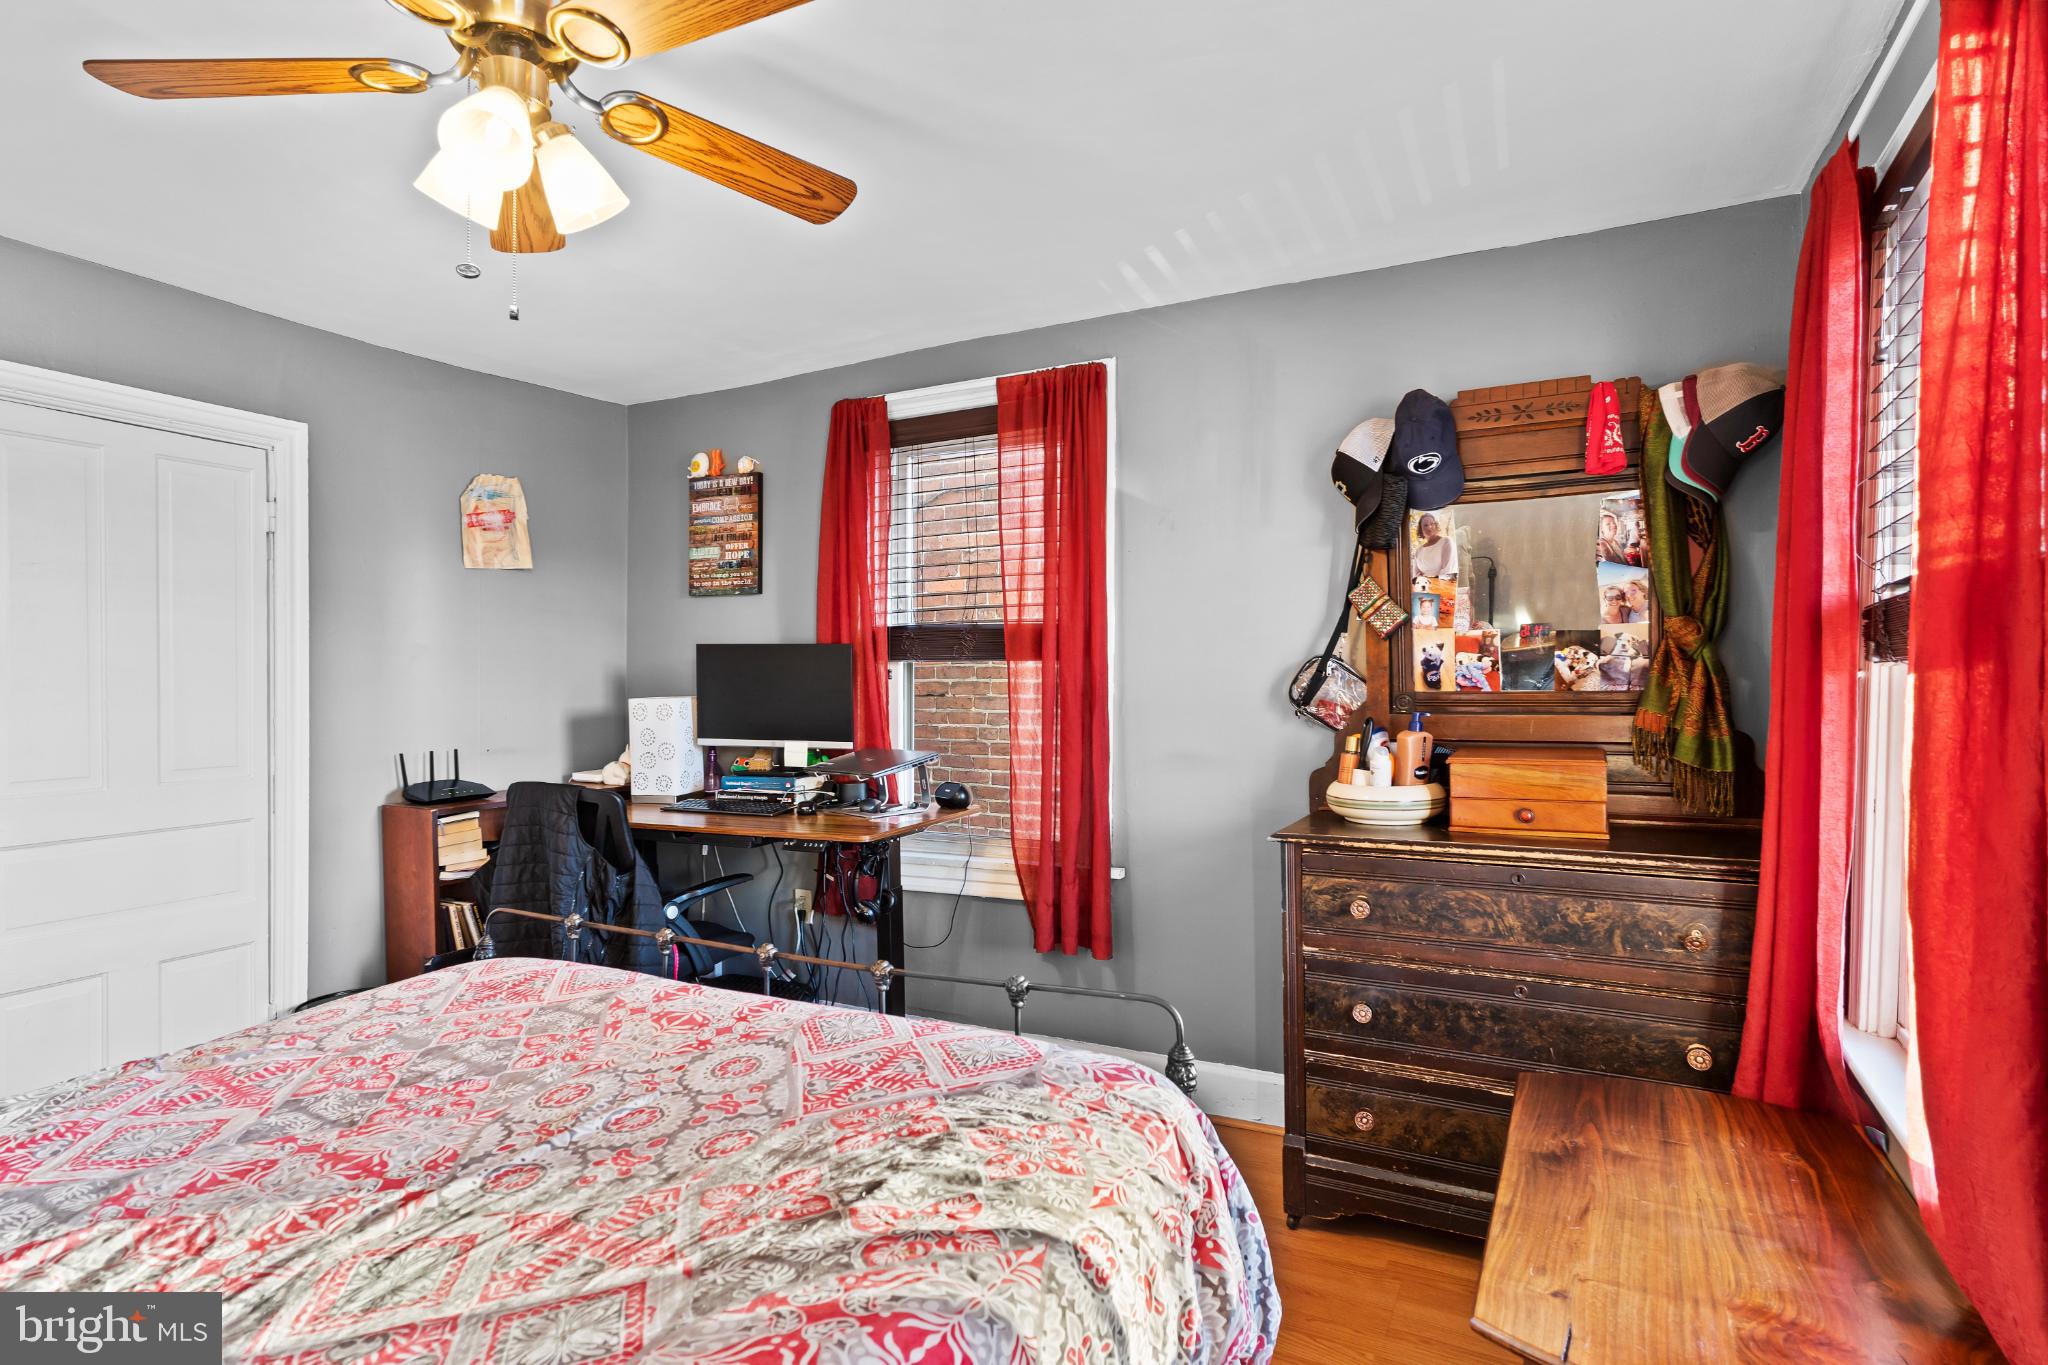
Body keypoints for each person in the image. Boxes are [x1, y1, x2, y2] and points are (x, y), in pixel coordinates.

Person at [1412, 513, 1457, 578]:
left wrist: (1426, 579)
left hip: (1443, 586)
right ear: (1421, 529)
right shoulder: (1419, 551)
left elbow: (1447, 571)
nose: (1429, 527)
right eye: (1425, 525)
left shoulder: (1446, 542)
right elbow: (1415, 576)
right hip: (1422, 587)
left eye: (1432, 524)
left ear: (1436, 526)